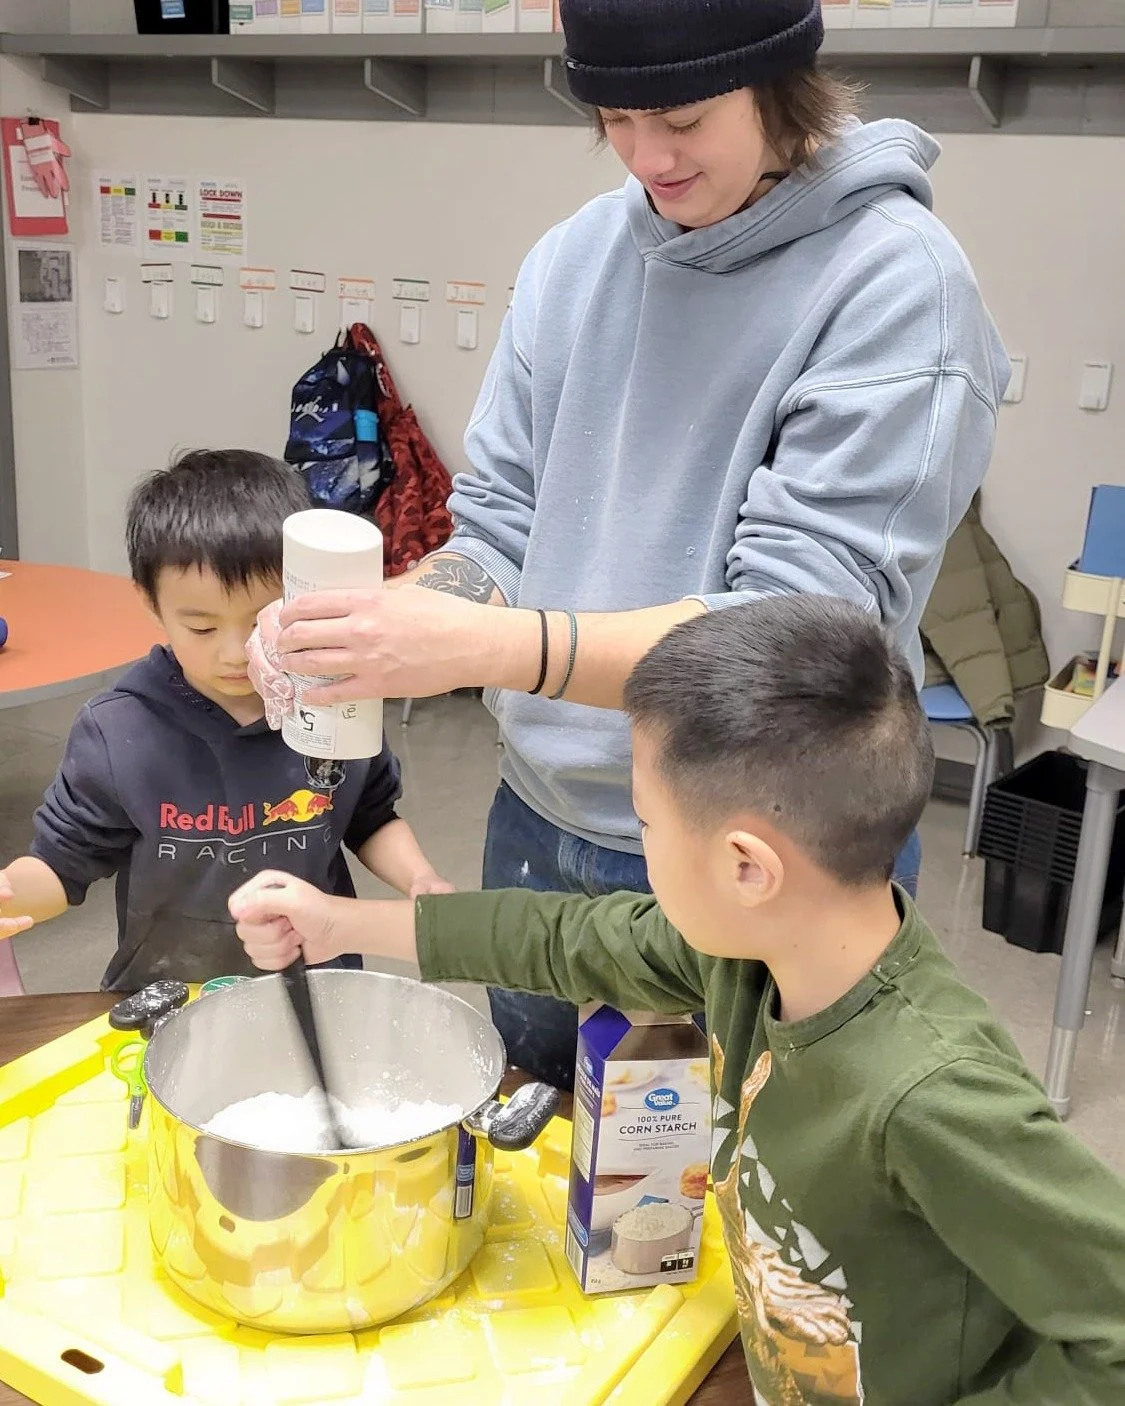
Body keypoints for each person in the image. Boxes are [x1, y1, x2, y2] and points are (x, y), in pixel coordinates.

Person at [247, 0, 1010, 1088]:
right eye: (614, 116)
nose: (649, 155)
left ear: (778, 81)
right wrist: (402, 615)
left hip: (761, 849)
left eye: (686, 118)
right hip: (539, 813)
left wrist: (481, 651)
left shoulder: (898, 289)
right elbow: (501, 517)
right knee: (532, 1154)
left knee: (728, 1210)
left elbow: (787, 646)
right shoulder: (574, 259)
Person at [232, 596, 1125, 1406]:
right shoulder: (748, 955)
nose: (643, 847)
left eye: (646, 825)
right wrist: (338, 921)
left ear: (747, 866)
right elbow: (569, 940)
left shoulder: (930, 1094)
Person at [0, 450, 450, 992]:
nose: (236, 654)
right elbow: (62, 863)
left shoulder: (335, 698)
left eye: (264, 619)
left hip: (317, 982)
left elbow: (371, 817)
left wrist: (420, 879)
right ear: (151, 603)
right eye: (202, 629)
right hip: (170, 989)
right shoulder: (121, 731)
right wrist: (12, 893)